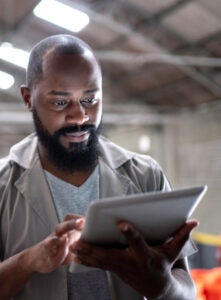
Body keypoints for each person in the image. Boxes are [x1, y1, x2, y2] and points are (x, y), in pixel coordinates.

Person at [0, 34, 198, 300]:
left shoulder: (145, 176)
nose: (80, 116)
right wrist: (29, 261)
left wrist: (163, 286)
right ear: (28, 98)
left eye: (90, 99)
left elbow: (185, 289)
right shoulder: (3, 185)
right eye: (60, 102)